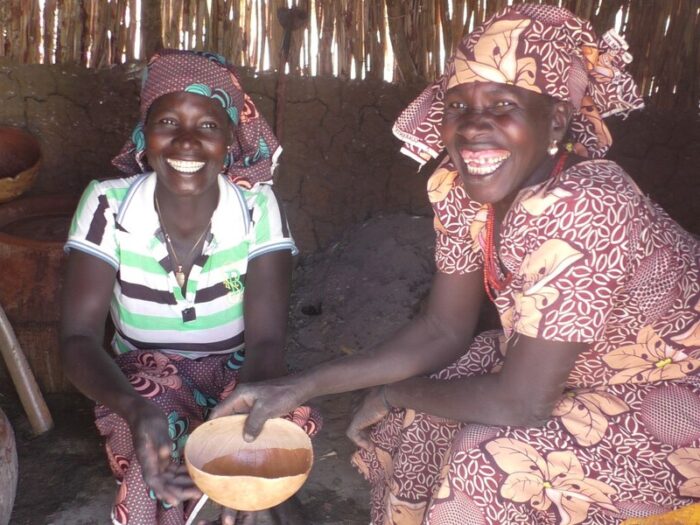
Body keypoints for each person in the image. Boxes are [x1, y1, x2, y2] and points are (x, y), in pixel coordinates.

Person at [210, 4, 700, 525]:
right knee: (424, 413)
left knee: (486, 465)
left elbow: (523, 403)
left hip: (674, 400)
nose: (472, 127)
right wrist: (301, 386)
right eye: (458, 106)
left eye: (503, 103)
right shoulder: (466, 196)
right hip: (573, 374)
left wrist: (392, 391)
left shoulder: (587, 203)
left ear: (555, 118)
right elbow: (442, 328)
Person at [60, 49, 320, 525]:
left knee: (262, 473)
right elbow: (77, 340)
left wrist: (238, 436)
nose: (185, 143)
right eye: (167, 122)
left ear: (229, 141)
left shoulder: (257, 209)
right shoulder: (107, 206)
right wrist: (133, 409)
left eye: (207, 126)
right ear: (145, 133)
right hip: (141, 378)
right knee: (154, 465)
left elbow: (266, 343)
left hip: (240, 372)